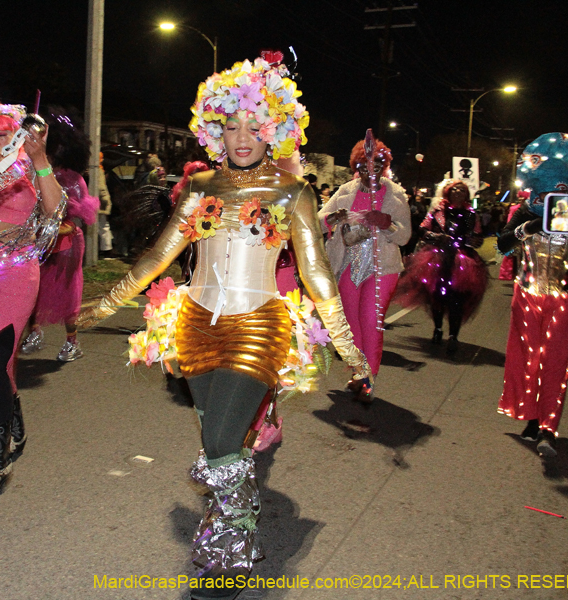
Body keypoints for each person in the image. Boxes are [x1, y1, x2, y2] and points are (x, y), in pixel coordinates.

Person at [77, 55, 369, 600]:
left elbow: (316, 271)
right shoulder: (203, 185)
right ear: (215, 129)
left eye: (253, 126)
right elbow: (161, 255)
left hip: (258, 325)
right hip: (194, 325)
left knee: (219, 439)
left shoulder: (293, 193)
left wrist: (347, 343)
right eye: (230, 125)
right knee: (221, 440)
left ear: (274, 129)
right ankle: (229, 528)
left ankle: (232, 553)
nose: (241, 136)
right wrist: (106, 301)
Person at [0, 99, 66, 495]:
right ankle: (12, 409)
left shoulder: (27, 166)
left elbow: (54, 212)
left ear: (18, 133)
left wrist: (40, 160)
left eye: (2, 133)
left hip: (16, 273)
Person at [496, 132, 568, 459]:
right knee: (526, 357)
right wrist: (527, 228)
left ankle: (548, 426)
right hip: (527, 293)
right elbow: (501, 244)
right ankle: (531, 416)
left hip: (566, 295)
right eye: (548, 188)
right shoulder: (525, 210)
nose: (554, 194)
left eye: (561, 188)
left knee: (555, 361)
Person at [318, 131, 411, 401]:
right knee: (350, 323)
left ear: (385, 167)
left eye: (377, 165)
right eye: (363, 166)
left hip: (382, 267)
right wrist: (335, 217)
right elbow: (319, 219)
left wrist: (387, 223)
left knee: (371, 321)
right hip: (348, 263)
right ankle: (359, 373)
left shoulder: (396, 196)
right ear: (355, 168)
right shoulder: (345, 191)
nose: (370, 170)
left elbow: (404, 235)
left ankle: (368, 379)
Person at [21, 111, 99, 362]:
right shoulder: (33, 173)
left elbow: (80, 219)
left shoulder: (74, 180)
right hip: (38, 241)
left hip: (68, 243)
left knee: (68, 291)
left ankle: (72, 342)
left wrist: (56, 228)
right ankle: (34, 333)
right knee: (34, 287)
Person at [395, 180, 488, 355]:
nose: (458, 192)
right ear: (448, 193)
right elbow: (422, 229)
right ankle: (438, 328)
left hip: (462, 262)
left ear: (467, 194)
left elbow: (478, 235)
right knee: (437, 298)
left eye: (462, 190)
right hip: (437, 259)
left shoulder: (471, 214)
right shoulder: (438, 211)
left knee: (457, 300)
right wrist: (435, 236)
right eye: (455, 189)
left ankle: (453, 336)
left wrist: (476, 241)